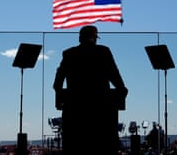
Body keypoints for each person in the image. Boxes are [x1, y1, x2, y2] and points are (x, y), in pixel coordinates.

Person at [53, 25, 128, 155]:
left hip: (75, 114)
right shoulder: (103, 52)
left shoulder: (69, 54)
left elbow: (57, 84)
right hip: (101, 113)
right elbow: (114, 75)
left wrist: (61, 98)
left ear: (80, 38)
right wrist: (123, 90)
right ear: (94, 38)